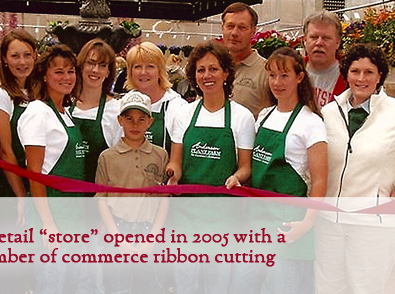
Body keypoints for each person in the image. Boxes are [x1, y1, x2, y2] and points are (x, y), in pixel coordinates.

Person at [234, 47, 328, 294]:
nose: (277, 82)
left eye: (284, 75)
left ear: (299, 77)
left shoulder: (311, 123)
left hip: (288, 225)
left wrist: (306, 224)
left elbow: (319, 182)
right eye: (272, 75)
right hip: (257, 222)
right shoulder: (264, 115)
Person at [166, 41, 255, 294]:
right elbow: (176, 161)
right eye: (201, 70)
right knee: (186, 280)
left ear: (226, 73)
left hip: (224, 215)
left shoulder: (241, 117)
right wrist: (173, 175)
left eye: (213, 69)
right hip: (186, 214)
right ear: (194, 75)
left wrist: (236, 177)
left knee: (219, 282)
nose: (207, 76)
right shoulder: (183, 114)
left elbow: (246, 168)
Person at [317, 43, 395, 294]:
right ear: (346, 74)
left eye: (369, 72)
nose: (361, 79)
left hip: (371, 225)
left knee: (366, 289)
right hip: (328, 221)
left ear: (380, 76)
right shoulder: (328, 112)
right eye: (355, 71)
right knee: (328, 288)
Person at [17, 44, 97, 293]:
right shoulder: (37, 112)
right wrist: (48, 224)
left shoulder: (65, 113)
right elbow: (35, 175)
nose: (67, 78)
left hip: (73, 215)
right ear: (44, 75)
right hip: (52, 214)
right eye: (59, 72)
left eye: (71, 71)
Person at [96, 92, 169, 294]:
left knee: (151, 286)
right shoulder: (107, 157)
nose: (135, 124)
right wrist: (118, 239)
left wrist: (153, 237)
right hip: (118, 231)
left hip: (150, 232)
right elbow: (101, 200)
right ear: (120, 120)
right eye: (129, 118)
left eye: (141, 119)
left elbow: (164, 198)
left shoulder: (160, 155)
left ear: (150, 121)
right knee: (118, 286)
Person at [0, 29, 35, 211]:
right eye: (15, 56)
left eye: (27, 55)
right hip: (10, 187)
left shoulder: (33, 90)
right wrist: (21, 196)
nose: (22, 62)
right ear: (4, 59)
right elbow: (4, 150)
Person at [71, 39, 122, 184]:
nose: (95, 70)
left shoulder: (115, 111)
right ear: (81, 66)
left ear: (108, 72)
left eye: (102, 65)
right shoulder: (64, 105)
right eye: (91, 63)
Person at [124, 42, 186, 152]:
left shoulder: (177, 107)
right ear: (130, 71)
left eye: (150, 67)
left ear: (160, 70)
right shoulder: (123, 103)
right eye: (137, 67)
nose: (143, 72)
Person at [221, 2, 270, 116]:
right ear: (222, 28)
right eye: (230, 26)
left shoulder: (266, 72)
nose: (234, 33)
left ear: (253, 31)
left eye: (242, 27)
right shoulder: (214, 68)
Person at [303, 11, 347, 107]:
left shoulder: (350, 77)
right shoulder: (292, 71)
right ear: (305, 40)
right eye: (314, 37)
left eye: (326, 38)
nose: (319, 43)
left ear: (337, 43)